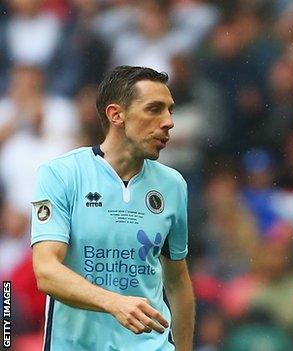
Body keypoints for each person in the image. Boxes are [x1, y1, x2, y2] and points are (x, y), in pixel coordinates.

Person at [30, 66, 195, 350]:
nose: (168, 122)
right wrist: (113, 303)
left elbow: (178, 282)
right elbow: (46, 271)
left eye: (170, 110)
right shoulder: (61, 174)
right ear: (116, 115)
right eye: (154, 109)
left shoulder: (173, 185)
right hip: (75, 345)